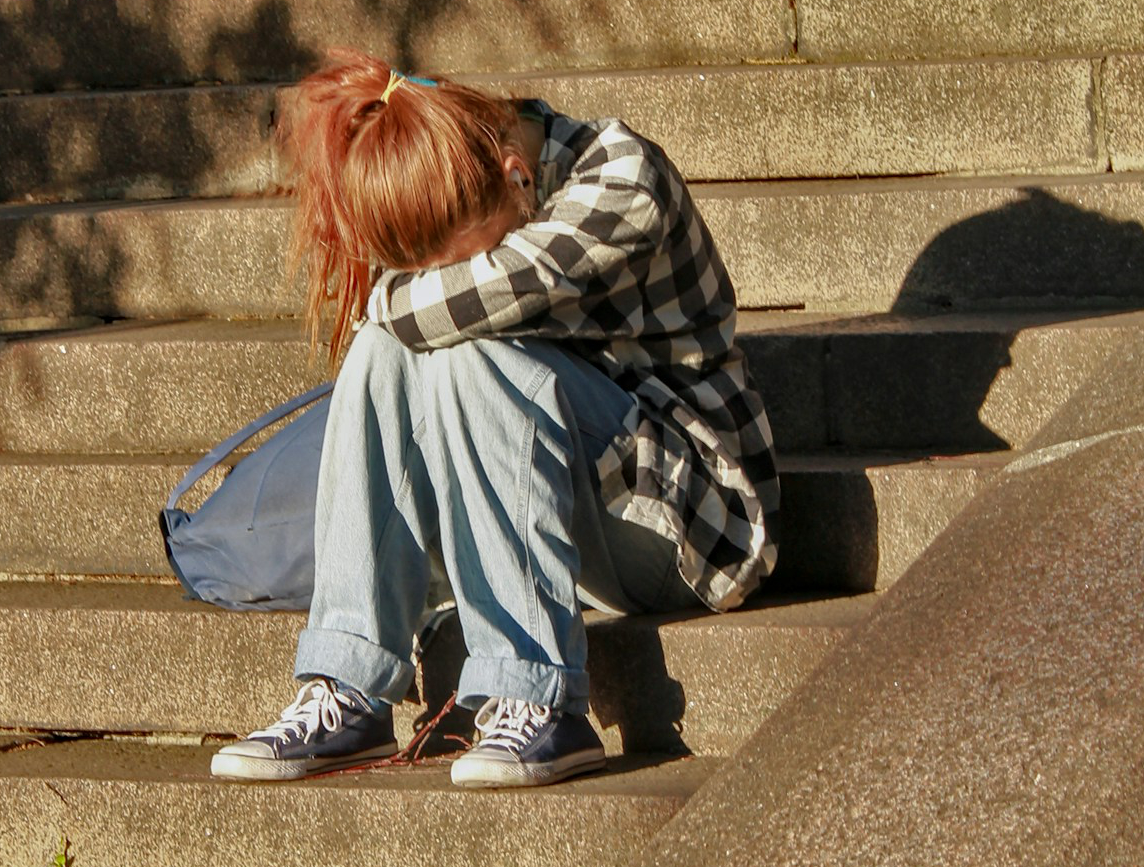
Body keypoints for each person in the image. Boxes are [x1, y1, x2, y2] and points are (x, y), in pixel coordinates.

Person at [210, 49, 779, 789]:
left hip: (693, 523)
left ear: (517, 173)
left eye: (461, 257)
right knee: (394, 351)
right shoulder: (485, 187)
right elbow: (413, 320)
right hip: (571, 516)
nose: (445, 276)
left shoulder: (621, 178)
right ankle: (348, 681)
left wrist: (391, 300)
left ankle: (537, 699)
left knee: (457, 345)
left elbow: (431, 308)